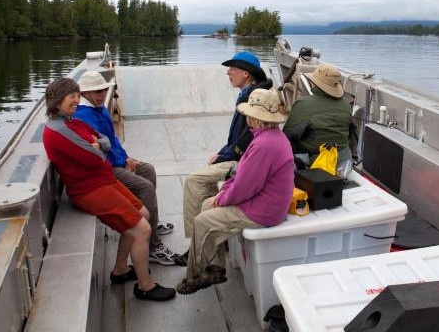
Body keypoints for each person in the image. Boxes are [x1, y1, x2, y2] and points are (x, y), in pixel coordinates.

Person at [41, 78, 175, 301]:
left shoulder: (70, 121)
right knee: (142, 230)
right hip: (89, 189)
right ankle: (145, 286)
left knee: (143, 214)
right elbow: (94, 158)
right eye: (71, 96)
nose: (77, 99)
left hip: (102, 181)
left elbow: (103, 141)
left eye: (77, 95)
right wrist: (99, 147)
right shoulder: (59, 130)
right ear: (57, 101)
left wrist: (99, 145)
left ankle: (121, 269)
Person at [176, 88, 294, 294]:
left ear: (254, 118)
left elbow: (246, 186)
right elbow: (241, 176)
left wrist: (223, 199)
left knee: (203, 220)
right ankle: (215, 267)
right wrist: (223, 194)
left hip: (264, 211)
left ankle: (196, 276)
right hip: (264, 201)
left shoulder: (264, 144)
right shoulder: (269, 136)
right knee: (206, 205)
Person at [176, 51, 272, 266]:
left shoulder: (253, 99)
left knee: (193, 181)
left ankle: (197, 247)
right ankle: (211, 238)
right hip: (236, 154)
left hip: (243, 160)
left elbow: (247, 140)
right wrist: (222, 152)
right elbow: (238, 137)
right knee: (206, 179)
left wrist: (225, 156)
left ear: (246, 74)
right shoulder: (250, 93)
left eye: (232, 69)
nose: (228, 73)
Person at [74, 70, 180, 265]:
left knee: (148, 169)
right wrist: (122, 162)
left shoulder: (99, 109)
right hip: (105, 168)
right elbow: (101, 150)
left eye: (103, 90)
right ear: (85, 93)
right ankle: (153, 246)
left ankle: (152, 224)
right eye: (96, 91)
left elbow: (112, 139)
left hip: (116, 161)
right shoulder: (83, 116)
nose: (101, 95)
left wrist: (126, 158)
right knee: (145, 187)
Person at [284, 62, 353, 176]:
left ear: (314, 83)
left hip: (317, 165)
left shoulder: (303, 104)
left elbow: (287, 134)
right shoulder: (346, 106)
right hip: (343, 164)